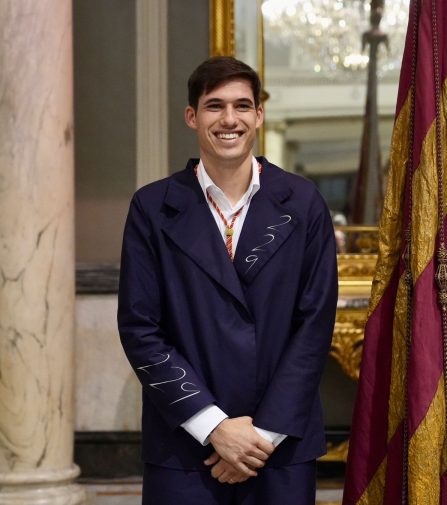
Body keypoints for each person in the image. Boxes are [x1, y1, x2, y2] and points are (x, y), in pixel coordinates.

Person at [117, 56, 338, 505]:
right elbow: (140, 329)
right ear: (192, 116)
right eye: (215, 106)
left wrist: (260, 437)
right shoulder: (152, 207)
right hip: (185, 447)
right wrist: (214, 427)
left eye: (242, 105)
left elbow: (314, 326)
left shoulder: (303, 202)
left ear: (259, 115)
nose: (229, 119)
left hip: (279, 444)